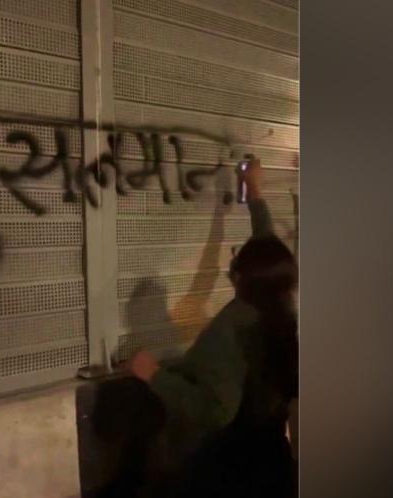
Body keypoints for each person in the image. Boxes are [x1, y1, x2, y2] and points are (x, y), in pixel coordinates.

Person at [127, 157, 299, 497]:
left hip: (233, 471)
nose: (231, 259)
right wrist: (254, 190)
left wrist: (153, 375)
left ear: (241, 276)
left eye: (237, 259)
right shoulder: (281, 307)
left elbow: (215, 411)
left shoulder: (233, 331)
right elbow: (265, 245)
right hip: (273, 460)